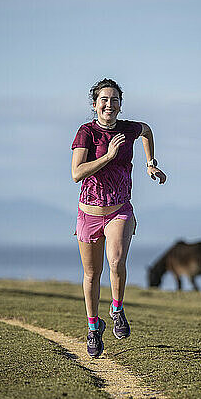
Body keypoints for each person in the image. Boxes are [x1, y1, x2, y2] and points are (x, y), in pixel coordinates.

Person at [71, 78, 167, 357]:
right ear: (94, 105)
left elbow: (147, 130)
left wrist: (151, 163)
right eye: (104, 100)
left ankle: (116, 309)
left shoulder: (128, 129)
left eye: (114, 100)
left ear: (120, 104)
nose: (109, 104)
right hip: (88, 213)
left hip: (119, 210)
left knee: (116, 261)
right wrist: (108, 155)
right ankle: (93, 327)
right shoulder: (86, 133)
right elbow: (76, 173)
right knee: (91, 274)